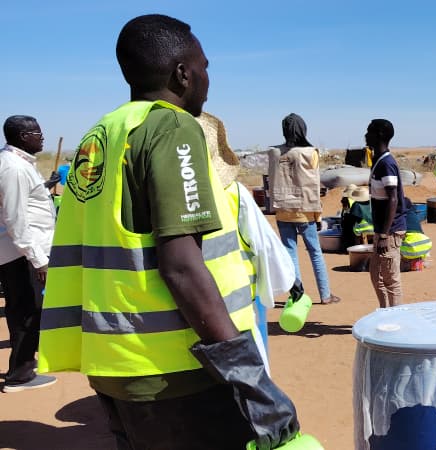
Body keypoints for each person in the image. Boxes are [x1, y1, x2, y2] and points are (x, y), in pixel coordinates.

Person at [37, 15, 299, 449]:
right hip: (176, 372)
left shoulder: (103, 133)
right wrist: (249, 378)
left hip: (114, 363)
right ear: (182, 74)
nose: (207, 79)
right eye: (204, 67)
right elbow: (180, 266)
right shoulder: (172, 128)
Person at [197, 112, 296, 370]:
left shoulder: (137, 200)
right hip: (234, 324)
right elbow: (271, 256)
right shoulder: (234, 195)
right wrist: (291, 282)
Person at [0, 115, 57, 392]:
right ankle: (20, 375)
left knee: (24, 309)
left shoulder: (18, 164)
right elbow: (16, 219)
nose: (42, 137)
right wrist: (38, 260)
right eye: (37, 132)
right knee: (27, 312)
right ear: (23, 137)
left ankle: (24, 365)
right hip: (21, 253)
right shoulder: (13, 168)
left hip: (22, 251)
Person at [268, 113, 340, 304]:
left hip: (283, 210)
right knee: (315, 252)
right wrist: (318, 215)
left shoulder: (274, 153)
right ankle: (325, 295)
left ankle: (297, 296)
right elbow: (313, 184)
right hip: (305, 210)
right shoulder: (310, 153)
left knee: (290, 253)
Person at [366, 119, 407, 308]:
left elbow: (393, 199)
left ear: (379, 135)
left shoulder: (386, 164)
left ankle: (395, 318)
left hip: (389, 232)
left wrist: (384, 234)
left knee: (390, 279)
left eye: (369, 131)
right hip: (382, 230)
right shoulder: (379, 161)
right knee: (377, 276)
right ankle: (385, 313)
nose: (366, 135)